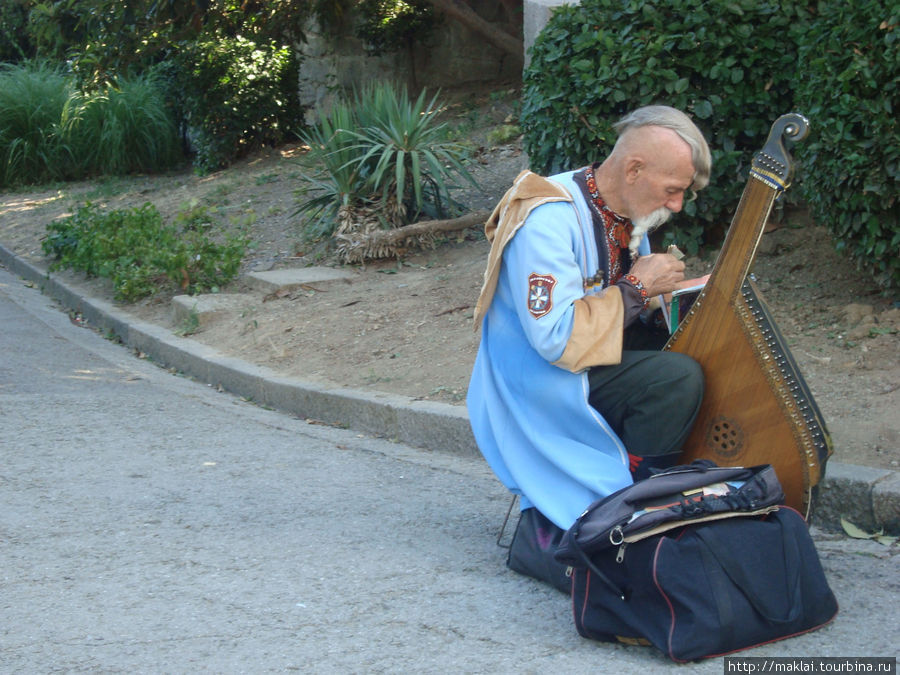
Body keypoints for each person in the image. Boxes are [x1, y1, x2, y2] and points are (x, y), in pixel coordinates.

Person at [466, 105, 712, 588]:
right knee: (675, 379)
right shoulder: (547, 218)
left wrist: (673, 298)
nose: (678, 204)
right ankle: (633, 510)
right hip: (538, 382)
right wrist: (639, 289)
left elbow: (617, 306)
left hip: (581, 361)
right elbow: (555, 338)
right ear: (634, 169)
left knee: (693, 348)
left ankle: (662, 497)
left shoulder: (622, 210)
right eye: (674, 190)